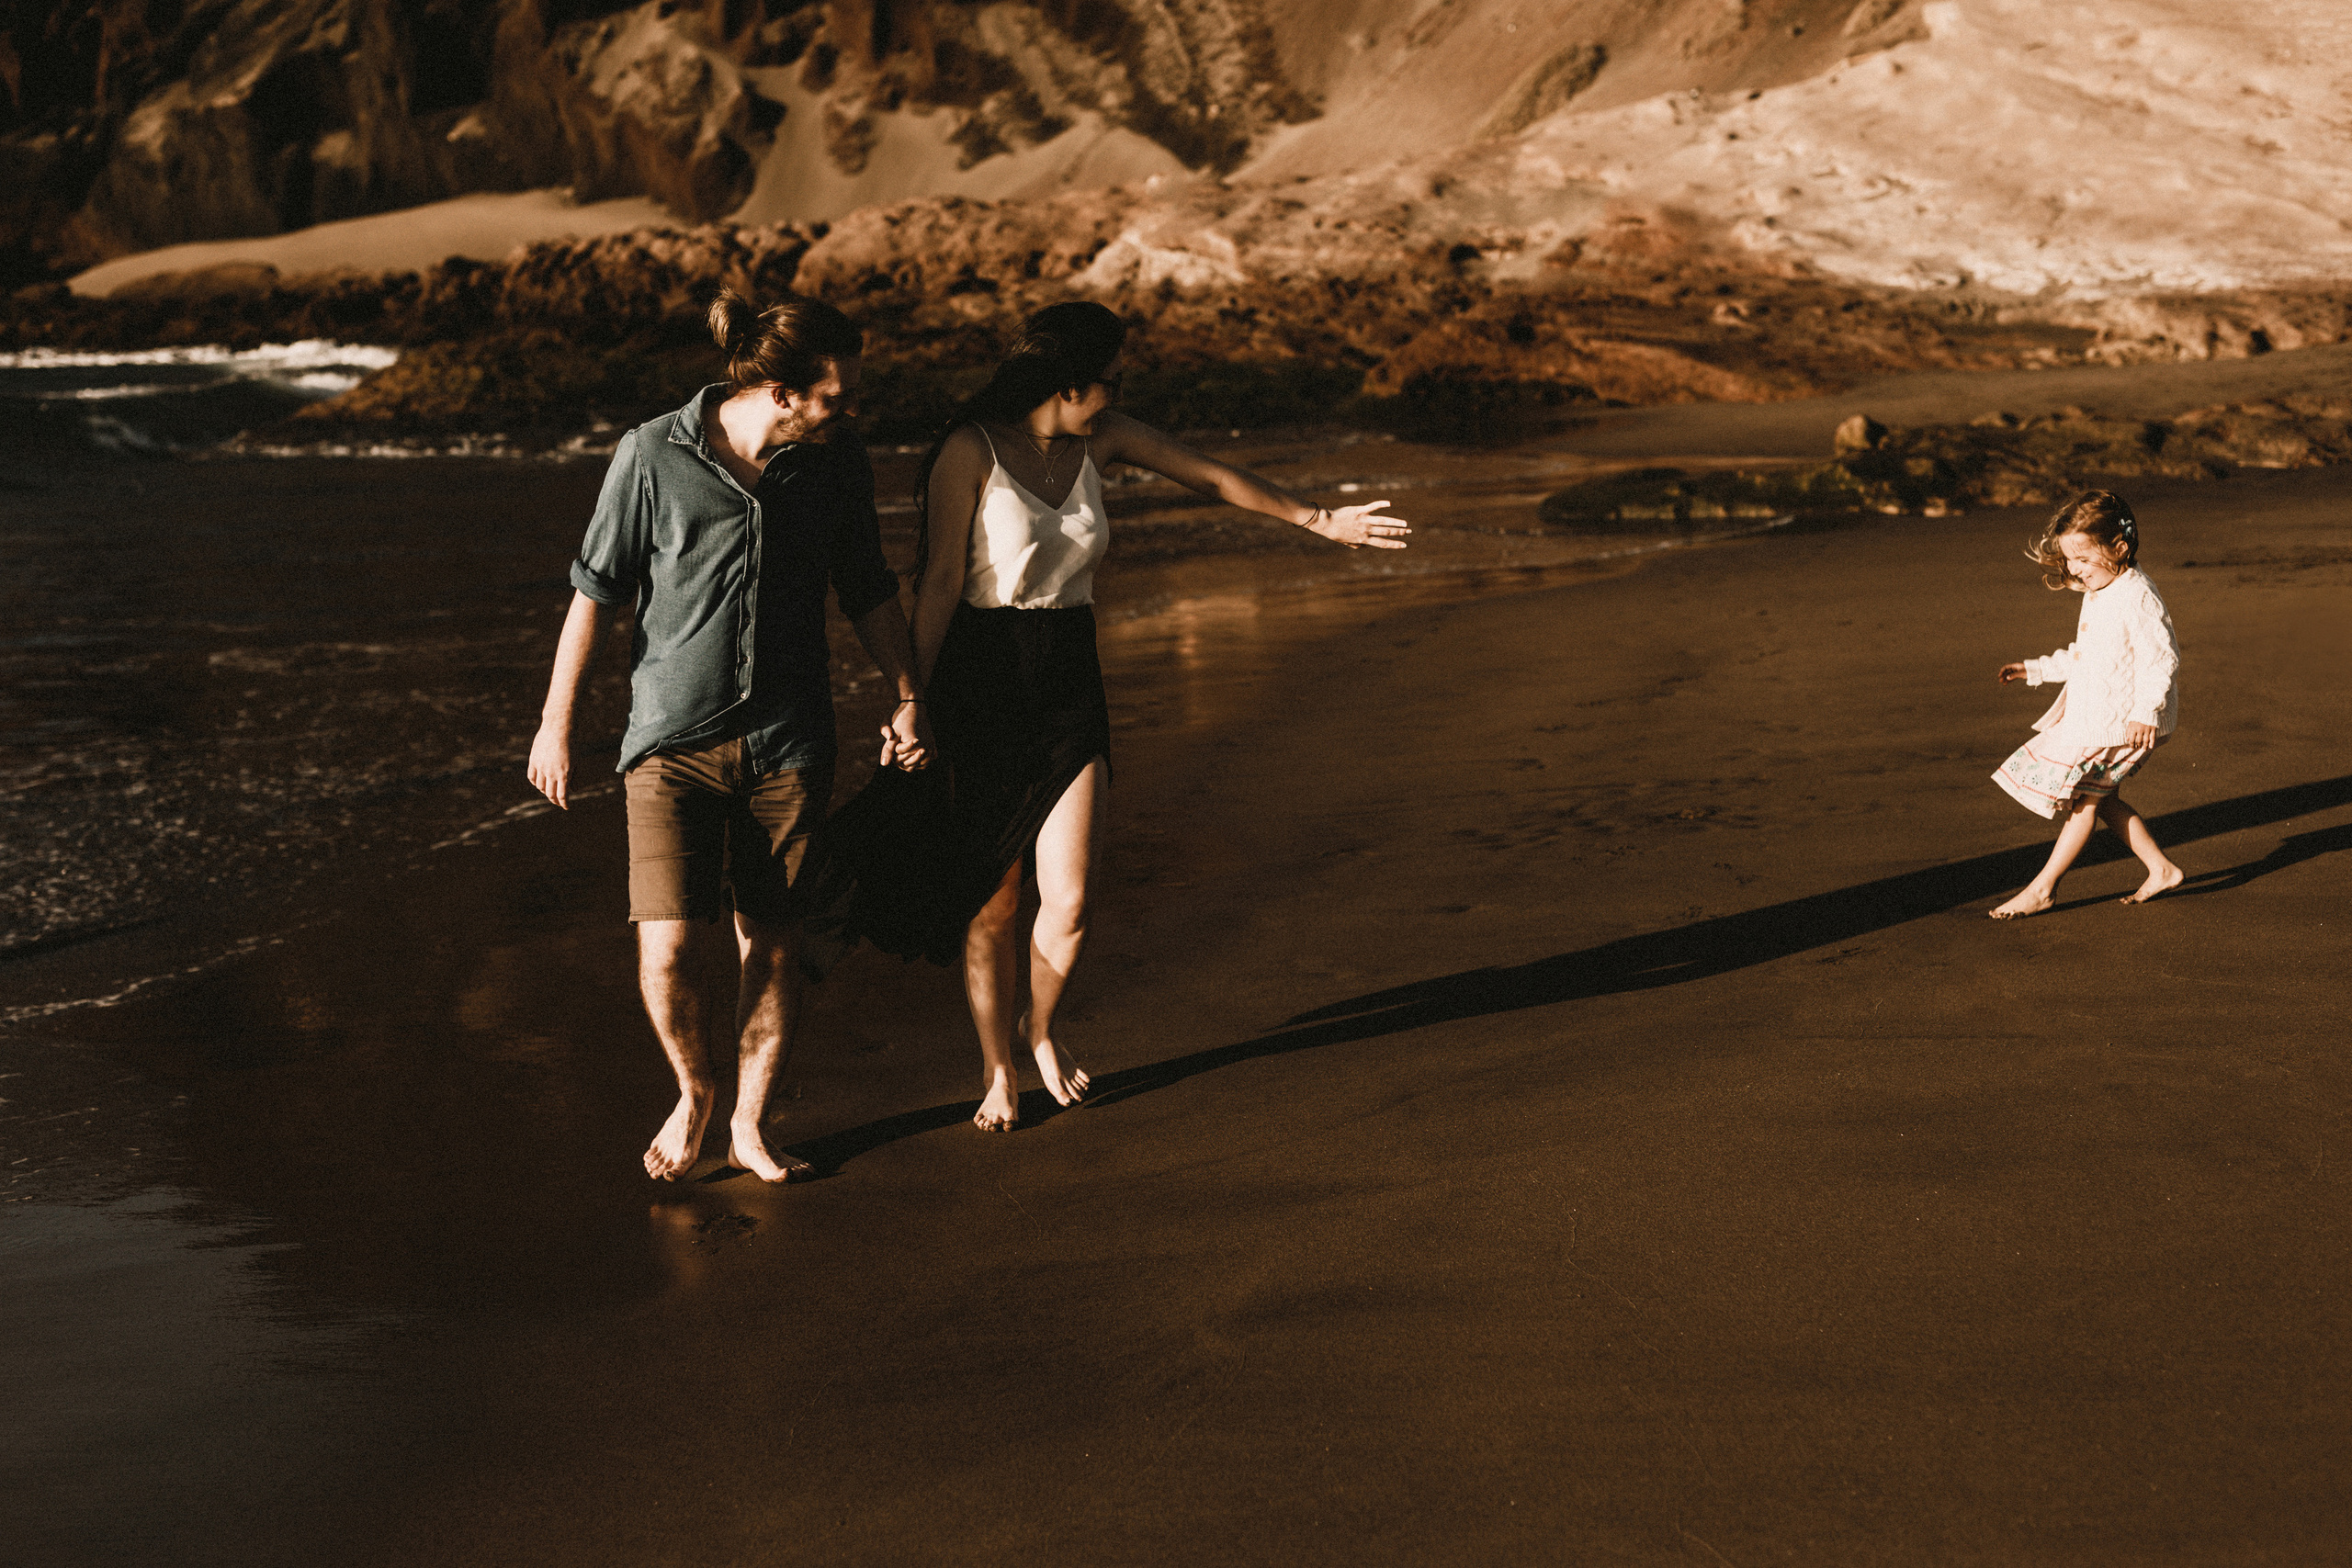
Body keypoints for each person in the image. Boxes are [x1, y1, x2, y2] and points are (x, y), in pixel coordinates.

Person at [890, 300, 1412, 1131]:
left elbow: (1209, 475)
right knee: (994, 903)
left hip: (1069, 673)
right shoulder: (971, 449)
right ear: (1068, 382)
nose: (1118, 394)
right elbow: (941, 583)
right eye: (1111, 379)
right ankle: (996, 1068)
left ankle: (1040, 1027)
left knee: (1070, 899)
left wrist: (1319, 520)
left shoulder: (1102, 438)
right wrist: (910, 700)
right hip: (982, 680)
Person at [526, 289, 932, 1181]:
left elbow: (867, 587)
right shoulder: (651, 454)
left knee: (774, 942)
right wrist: (556, 724)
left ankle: (749, 1123)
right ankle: (695, 1089)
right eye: (836, 396)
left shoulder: (836, 462)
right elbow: (594, 594)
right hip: (670, 746)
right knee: (667, 947)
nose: (850, 411)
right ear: (782, 392)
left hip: (790, 741)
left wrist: (908, 695)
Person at [1989, 490, 2184, 919]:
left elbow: (2161, 658)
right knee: (2102, 799)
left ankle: (2043, 889)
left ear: (2119, 548)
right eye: (2068, 559)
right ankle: (2161, 869)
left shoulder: (2137, 596)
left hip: (2126, 723)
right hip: (2101, 718)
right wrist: (2036, 669)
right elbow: (2086, 655)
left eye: (2082, 558)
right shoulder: (2100, 591)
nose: (2074, 569)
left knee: (2084, 802)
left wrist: (2146, 712)